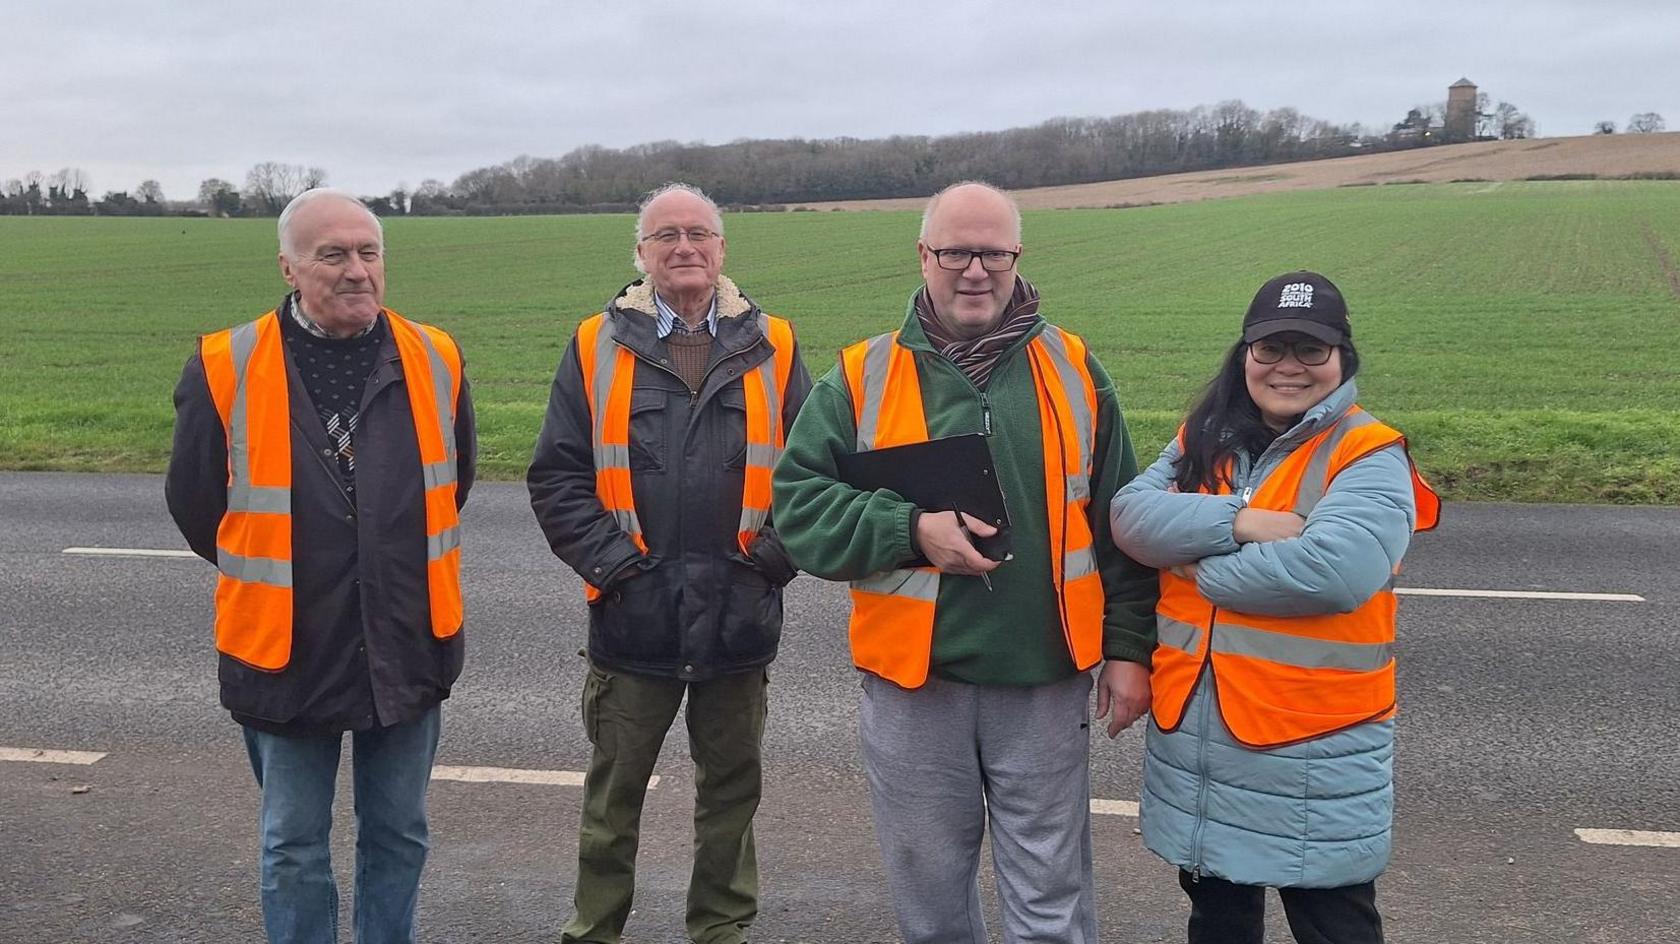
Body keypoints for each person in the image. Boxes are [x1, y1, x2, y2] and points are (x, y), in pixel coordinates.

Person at [771, 180, 1159, 943]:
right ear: (924, 255)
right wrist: (909, 530)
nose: (974, 270)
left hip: (1045, 682)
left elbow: (1123, 529)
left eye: (993, 253)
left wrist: (1128, 651)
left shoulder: (1075, 369)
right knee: (932, 902)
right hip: (916, 688)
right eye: (955, 252)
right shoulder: (860, 377)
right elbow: (798, 512)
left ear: (1018, 257)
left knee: (1051, 899)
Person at [165, 188, 476, 944]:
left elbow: (453, 482)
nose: (356, 271)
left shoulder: (435, 356)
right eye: (332, 254)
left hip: (406, 636)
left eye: (369, 253)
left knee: (398, 835)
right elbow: (198, 503)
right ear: (289, 266)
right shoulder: (224, 364)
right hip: (284, 650)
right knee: (293, 847)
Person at [1109, 271, 1440, 944]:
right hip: (1204, 742)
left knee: (1334, 924)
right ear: (1245, 357)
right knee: (1218, 920)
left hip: (1312, 746)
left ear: (1343, 358)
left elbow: (1329, 573)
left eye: (1310, 350)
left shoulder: (1368, 453)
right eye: (1270, 348)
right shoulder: (1204, 437)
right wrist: (1242, 521)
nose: (1288, 366)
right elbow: (1129, 518)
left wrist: (1189, 558)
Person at [528, 182, 812, 944]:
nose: (683, 247)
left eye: (698, 233)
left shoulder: (776, 346)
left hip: (738, 620)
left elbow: (816, 476)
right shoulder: (595, 344)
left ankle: (721, 931)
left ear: (722, 249)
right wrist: (615, 568)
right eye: (665, 236)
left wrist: (769, 563)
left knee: (731, 799)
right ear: (641, 254)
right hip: (632, 621)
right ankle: (595, 931)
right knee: (612, 804)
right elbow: (558, 475)